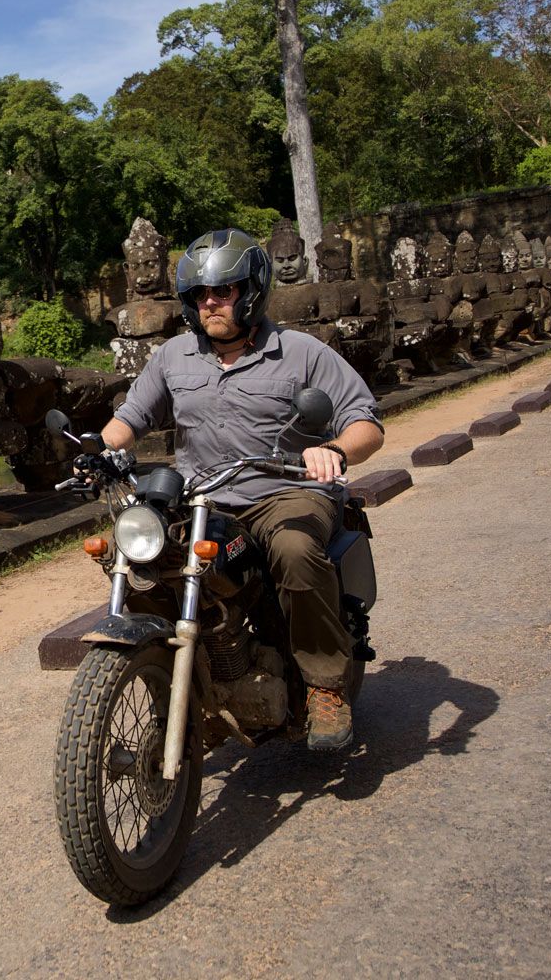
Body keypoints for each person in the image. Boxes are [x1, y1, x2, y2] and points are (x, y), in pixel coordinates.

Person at [99, 228, 384, 750]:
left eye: (223, 291)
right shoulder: (173, 357)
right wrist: (102, 449)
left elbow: (366, 423)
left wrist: (335, 451)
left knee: (295, 549)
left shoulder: (301, 353)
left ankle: (325, 687)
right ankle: (177, 680)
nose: (210, 303)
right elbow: (130, 418)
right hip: (204, 498)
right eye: (200, 295)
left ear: (251, 290)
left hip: (285, 490)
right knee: (143, 556)